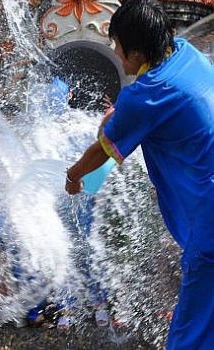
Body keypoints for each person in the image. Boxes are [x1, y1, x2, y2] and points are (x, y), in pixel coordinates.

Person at [65, 1, 214, 348]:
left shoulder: (145, 97)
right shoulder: (186, 54)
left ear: (135, 49)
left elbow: (100, 151)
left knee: (189, 334)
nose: (115, 54)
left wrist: (73, 176)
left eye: (117, 45)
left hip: (210, 220)